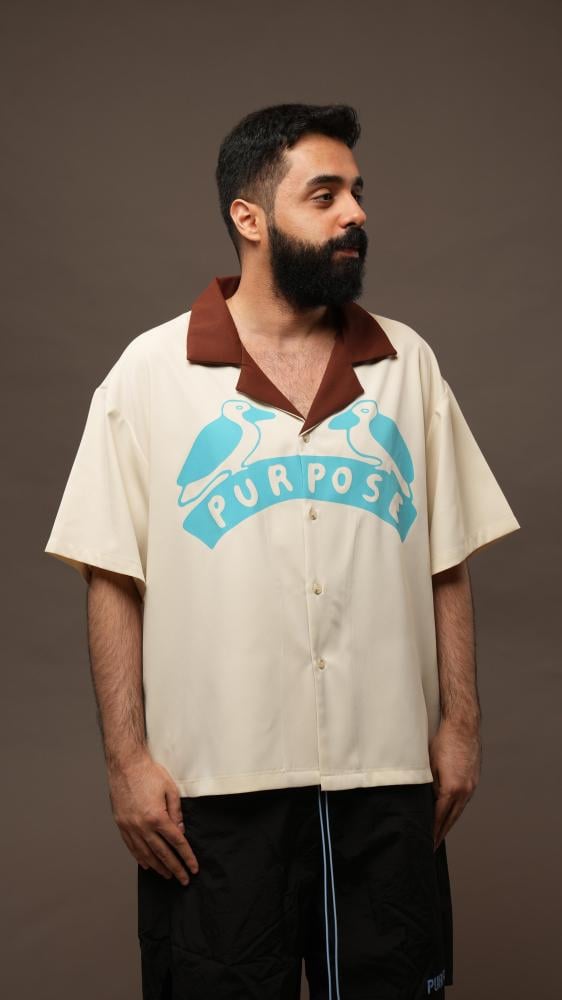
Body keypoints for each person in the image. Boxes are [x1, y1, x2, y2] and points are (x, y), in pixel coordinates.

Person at [44, 103, 521, 999]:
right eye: (325, 195)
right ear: (250, 217)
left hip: (386, 778)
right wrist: (126, 761)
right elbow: (112, 575)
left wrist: (461, 726)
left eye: (357, 194)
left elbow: (446, 559)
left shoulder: (407, 364)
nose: (356, 214)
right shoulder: (149, 373)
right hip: (212, 791)